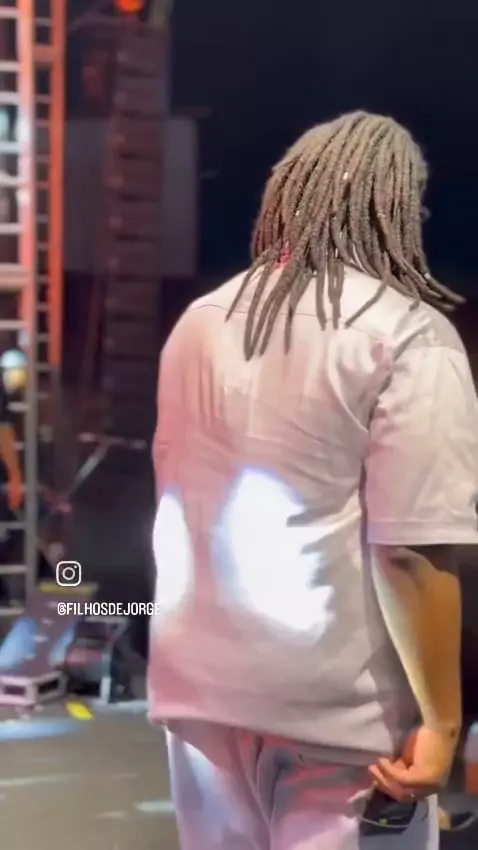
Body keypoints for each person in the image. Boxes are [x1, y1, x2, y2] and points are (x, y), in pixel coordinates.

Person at [148, 111, 478, 850]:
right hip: (339, 719)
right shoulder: (407, 335)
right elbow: (410, 548)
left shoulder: (199, 322)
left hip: (199, 698)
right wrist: (441, 722)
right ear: (396, 205)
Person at [0, 366, 22, 513]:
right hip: (4, 427)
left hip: (3, 427)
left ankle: (14, 504)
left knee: (13, 470)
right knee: (13, 470)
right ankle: (14, 504)